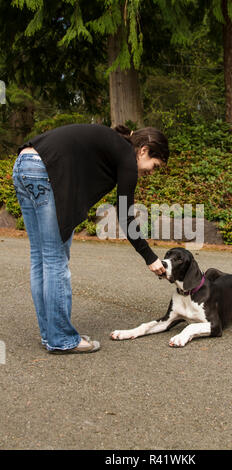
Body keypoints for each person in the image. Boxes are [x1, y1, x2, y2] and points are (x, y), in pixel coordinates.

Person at [13, 124, 168, 354]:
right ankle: (62, 339)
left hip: (23, 165)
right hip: (43, 170)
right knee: (55, 259)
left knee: (41, 258)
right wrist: (150, 257)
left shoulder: (113, 146)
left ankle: (51, 335)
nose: (150, 172)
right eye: (154, 166)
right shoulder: (127, 156)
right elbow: (125, 215)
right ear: (144, 150)